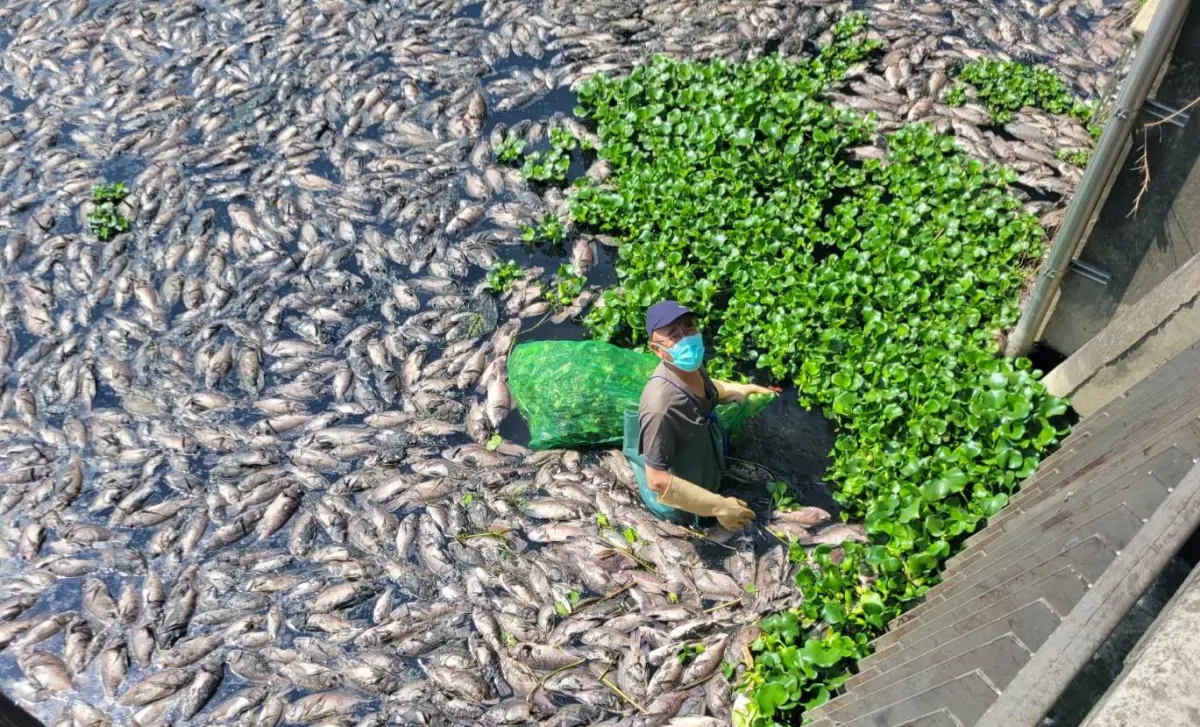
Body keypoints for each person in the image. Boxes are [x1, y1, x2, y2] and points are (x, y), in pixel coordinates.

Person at [626, 300, 775, 530]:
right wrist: (718, 507)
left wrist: (738, 390)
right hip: (681, 505)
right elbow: (657, 480)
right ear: (657, 350)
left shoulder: (689, 365)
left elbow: (708, 386)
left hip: (701, 460)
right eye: (673, 335)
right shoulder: (660, 408)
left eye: (689, 328)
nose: (686, 338)